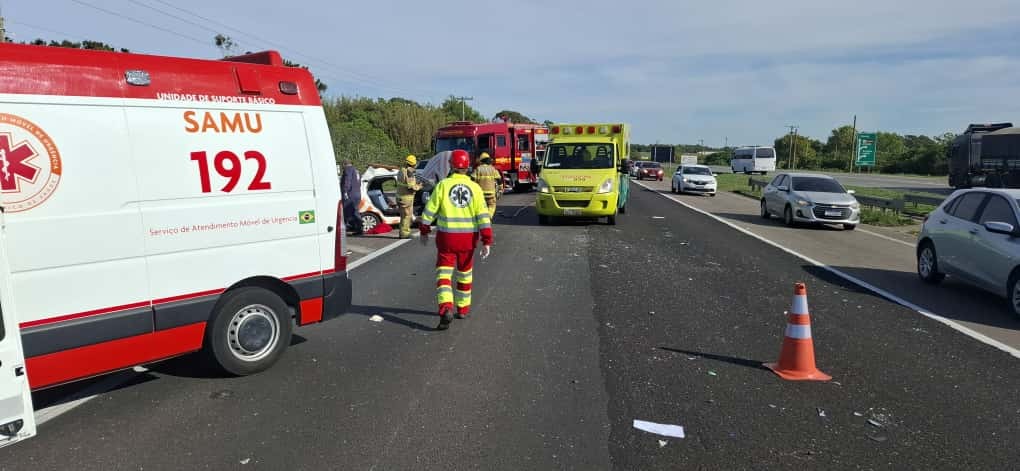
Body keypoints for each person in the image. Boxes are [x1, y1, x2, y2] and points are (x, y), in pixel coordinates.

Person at [419, 149, 493, 330]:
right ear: (467, 166)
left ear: (451, 165)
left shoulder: (443, 186)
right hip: (468, 241)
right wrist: (487, 240)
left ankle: (446, 309)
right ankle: (463, 309)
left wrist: (424, 230)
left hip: (446, 240)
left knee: (444, 276)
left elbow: (430, 211)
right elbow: (483, 216)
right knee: (465, 275)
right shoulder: (475, 188)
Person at [395, 154, 422, 238]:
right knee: (407, 216)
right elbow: (411, 187)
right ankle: (405, 234)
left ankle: (402, 232)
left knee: (403, 216)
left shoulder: (402, 170)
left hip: (400, 197)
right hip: (406, 198)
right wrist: (419, 186)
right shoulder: (409, 173)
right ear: (413, 164)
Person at [473, 152, 502, 216]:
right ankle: (488, 217)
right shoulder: (492, 169)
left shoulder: (478, 169)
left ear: (481, 161)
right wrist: (500, 189)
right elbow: (499, 180)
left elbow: (472, 180)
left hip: (480, 194)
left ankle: (483, 218)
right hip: (491, 194)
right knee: (492, 206)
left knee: (481, 207)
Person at [340, 160, 364, 235]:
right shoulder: (356, 170)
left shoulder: (348, 169)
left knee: (349, 211)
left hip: (350, 193)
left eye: (342, 166)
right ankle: (358, 228)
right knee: (355, 211)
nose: (342, 167)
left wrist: (345, 191)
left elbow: (347, 181)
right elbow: (359, 182)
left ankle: (356, 228)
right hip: (357, 193)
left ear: (344, 164)